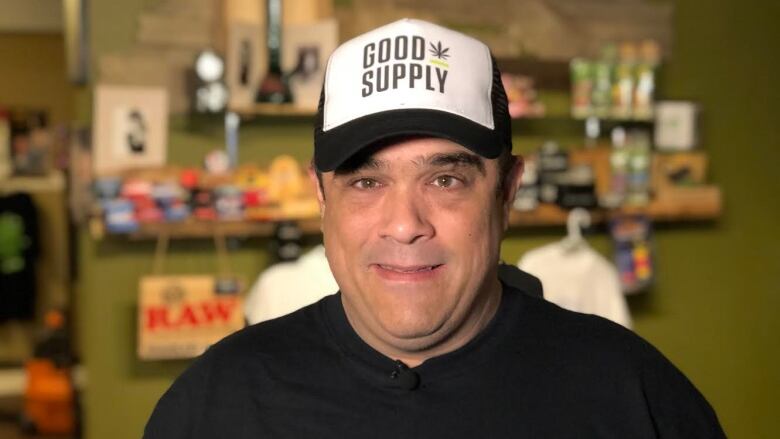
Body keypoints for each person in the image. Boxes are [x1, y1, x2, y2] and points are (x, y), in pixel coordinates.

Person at [144, 19, 724, 438]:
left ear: (507, 190)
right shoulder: (214, 403)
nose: (404, 224)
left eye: (445, 179)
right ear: (321, 196)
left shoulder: (634, 395)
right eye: (366, 183)